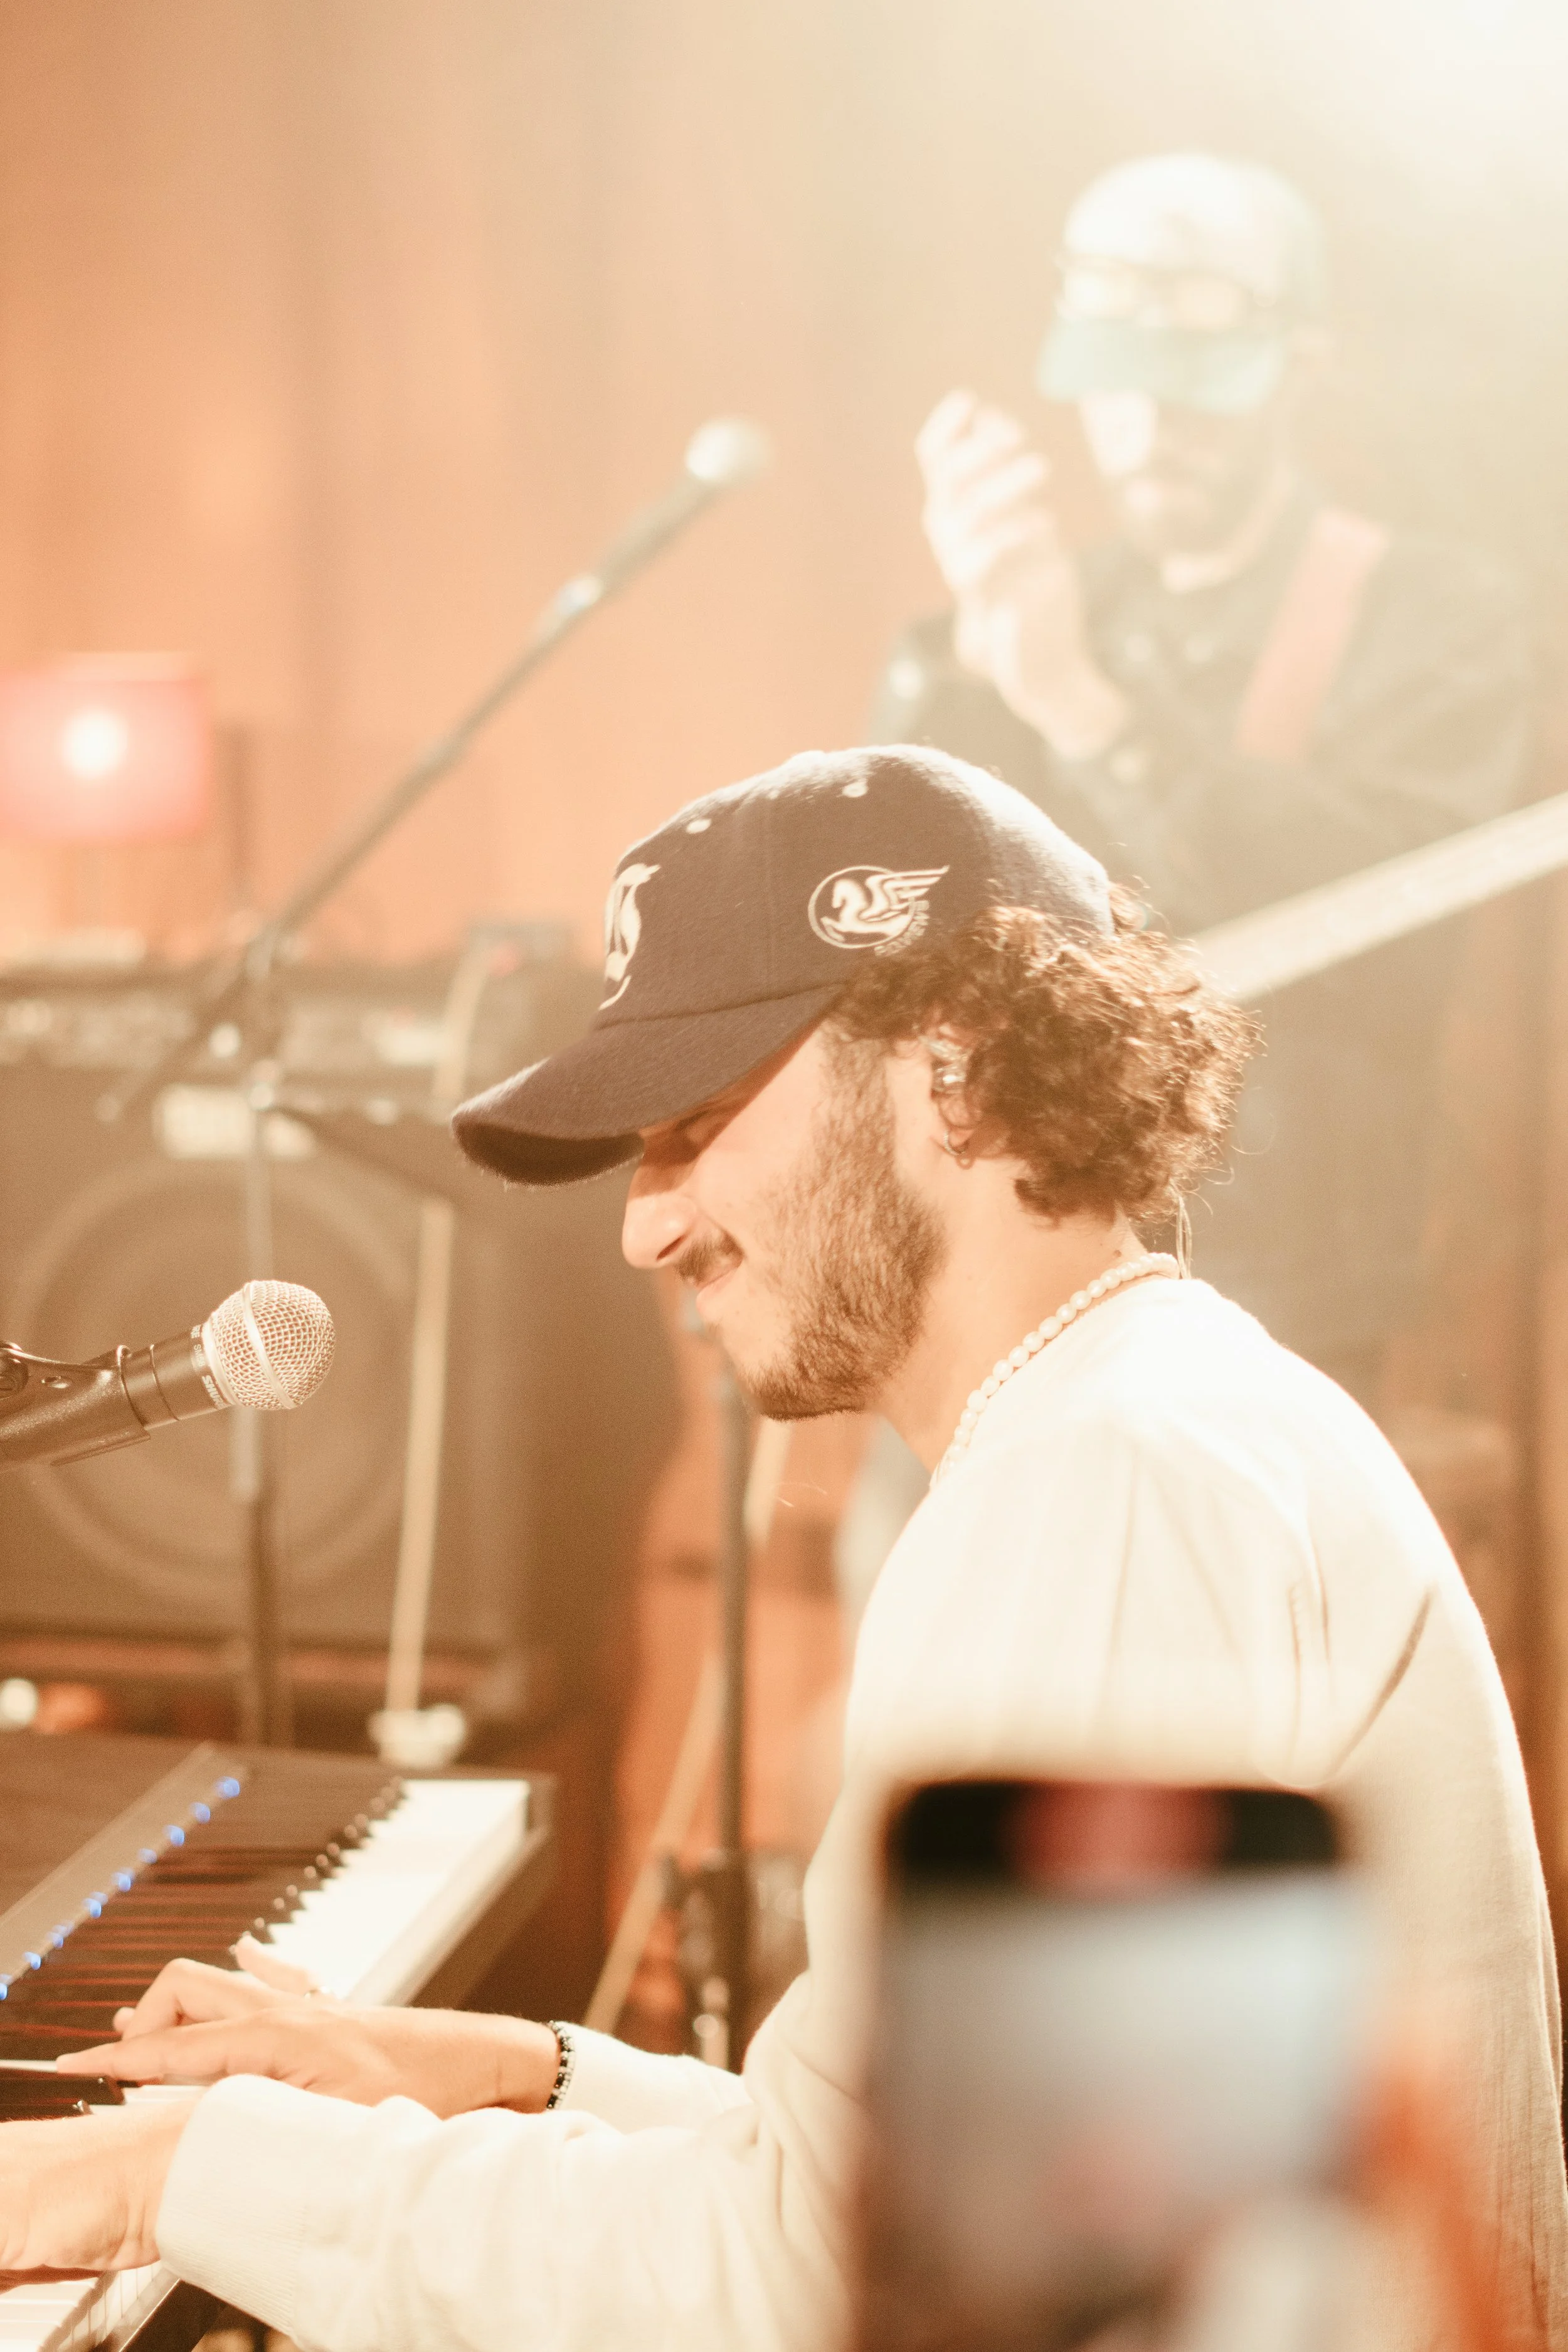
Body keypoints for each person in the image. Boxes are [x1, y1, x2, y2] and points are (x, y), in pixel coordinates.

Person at [2, 746, 1564, 2348]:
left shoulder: (1104, 1489)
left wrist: (157, 2173)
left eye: (692, 1121)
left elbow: (806, 2297)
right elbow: (918, 2181)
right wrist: (518, 2075)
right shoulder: (1139, 1424)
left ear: (954, 1066)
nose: (643, 1224)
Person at [875, 152, 1536, 1402]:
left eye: (1196, 388)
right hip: (1012, 1250)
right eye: (1117, 386)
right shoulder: (1052, 605)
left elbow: (1367, 902)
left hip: (1268, 1277)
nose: (1150, 427)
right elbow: (902, 909)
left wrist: (1087, 711)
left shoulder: (1430, 611)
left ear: (1299, 368)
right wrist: (964, 655)